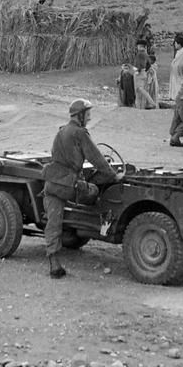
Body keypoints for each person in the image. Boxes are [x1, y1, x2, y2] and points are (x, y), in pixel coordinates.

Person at [42, 99, 122, 278]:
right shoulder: (80, 133)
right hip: (69, 184)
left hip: (52, 183)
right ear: (80, 116)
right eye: (88, 114)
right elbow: (97, 158)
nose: (90, 118)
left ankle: (54, 263)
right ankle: (94, 225)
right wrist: (113, 175)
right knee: (94, 192)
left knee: (53, 221)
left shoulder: (61, 131)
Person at [168, 36, 183, 101]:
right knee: (175, 82)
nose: (175, 45)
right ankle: (174, 96)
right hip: (175, 72)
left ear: (179, 44)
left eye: (176, 43)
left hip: (180, 72)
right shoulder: (178, 52)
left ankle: (178, 96)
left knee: (179, 83)